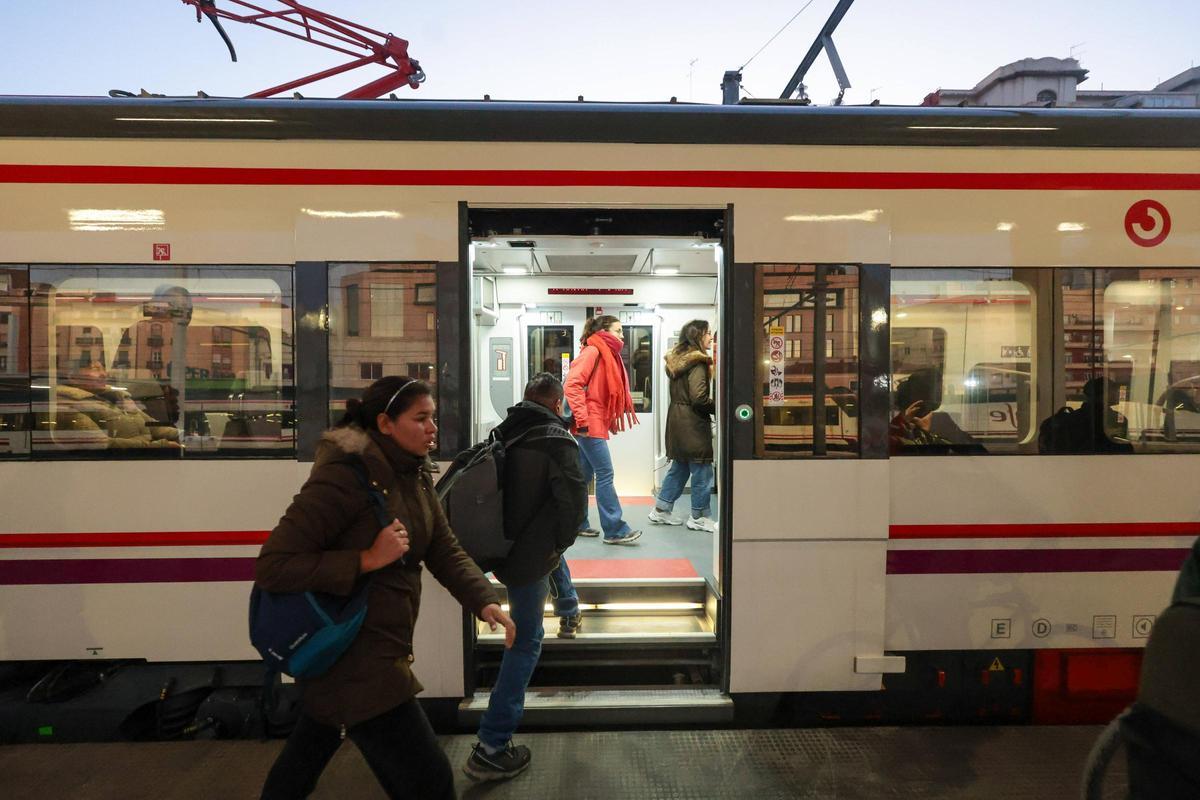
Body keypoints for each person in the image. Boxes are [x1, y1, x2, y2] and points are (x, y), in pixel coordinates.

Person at [255, 376, 516, 800]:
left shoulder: (410, 473)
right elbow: (274, 566)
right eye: (422, 418)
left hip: (365, 651)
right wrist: (365, 559)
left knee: (303, 763)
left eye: (433, 417)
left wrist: (484, 602)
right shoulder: (343, 479)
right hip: (356, 658)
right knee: (430, 781)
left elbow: (443, 548)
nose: (433, 427)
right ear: (385, 423)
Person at [464, 372, 588, 782]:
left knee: (550, 554)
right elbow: (572, 504)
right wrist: (562, 539)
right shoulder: (556, 439)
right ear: (556, 405)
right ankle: (492, 745)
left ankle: (569, 608)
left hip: (505, 544)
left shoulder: (505, 429)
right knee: (526, 640)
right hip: (529, 556)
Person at [564, 315, 642, 545]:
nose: (622, 336)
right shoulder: (593, 352)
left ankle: (575, 523)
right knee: (605, 474)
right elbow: (572, 385)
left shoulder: (605, 354)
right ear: (604, 332)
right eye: (618, 331)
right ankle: (615, 529)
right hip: (589, 423)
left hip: (592, 421)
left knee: (583, 476)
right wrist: (583, 420)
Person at [648, 320, 717, 532]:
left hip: (677, 419)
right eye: (707, 334)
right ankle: (699, 515)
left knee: (680, 468)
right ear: (698, 336)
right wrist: (718, 406)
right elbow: (699, 398)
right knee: (702, 469)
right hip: (693, 423)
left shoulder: (678, 362)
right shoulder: (698, 363)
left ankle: (661, 510)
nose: (710, 338)